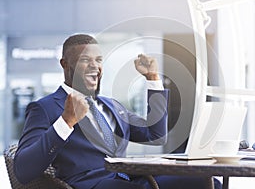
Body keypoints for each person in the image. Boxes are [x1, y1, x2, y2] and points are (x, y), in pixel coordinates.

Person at [14, 34, 221, 189]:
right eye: (86, 60)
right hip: (93, 184)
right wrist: (65, 122)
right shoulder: (45, 108)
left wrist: (153, 80)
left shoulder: (111, 106)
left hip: (132, 178)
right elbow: (23, 171)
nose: (94, 66)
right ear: (65, 64)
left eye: (99, 60)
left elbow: (155, 135)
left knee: (206, 181)